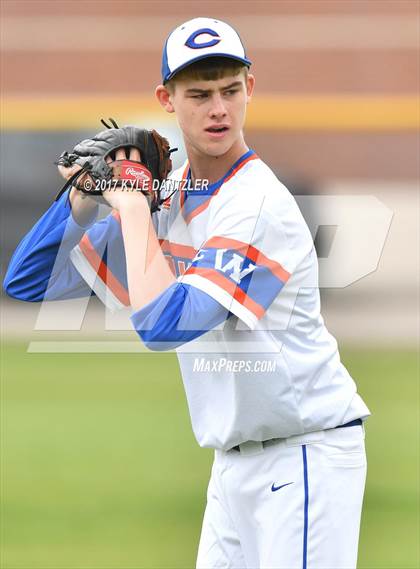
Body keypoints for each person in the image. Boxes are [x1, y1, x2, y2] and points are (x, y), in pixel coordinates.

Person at [4, 17, 370, 569]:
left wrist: (128, 205)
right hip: (233, 468)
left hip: (304, 460)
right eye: (198, 94)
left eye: (229, 90)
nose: (218, 108)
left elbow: (163, 324)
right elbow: (27, 281)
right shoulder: (172, 200)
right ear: (166, 100)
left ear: (250, 88)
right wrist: (81, 196)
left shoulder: (257, 205)